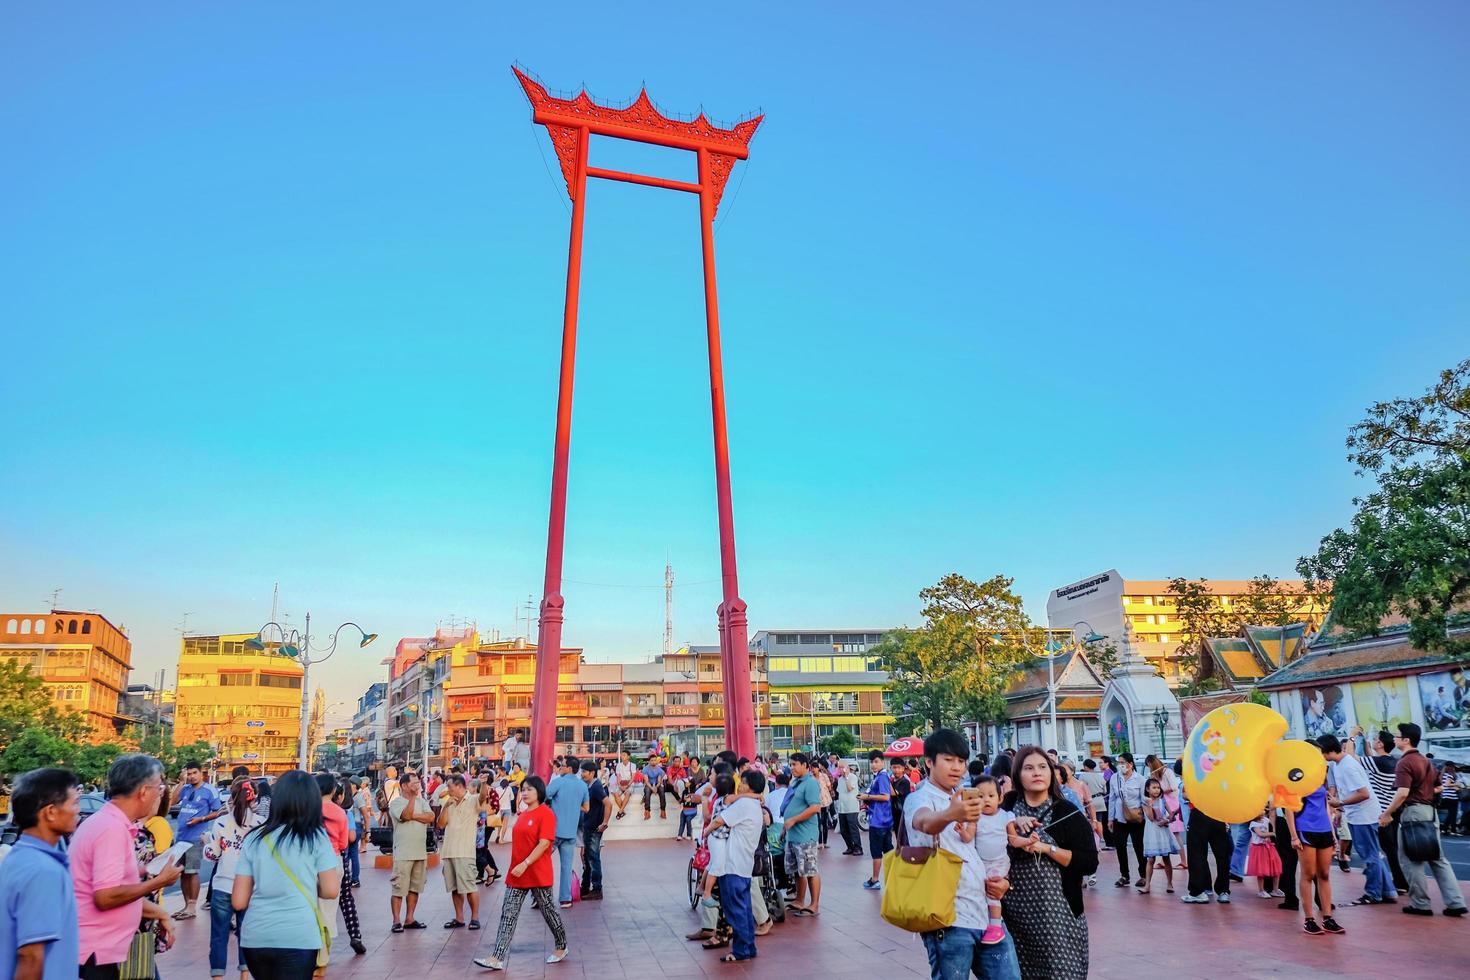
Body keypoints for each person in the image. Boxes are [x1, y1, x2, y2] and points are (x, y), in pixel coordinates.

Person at [904, 730, 1024, 979]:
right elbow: (925, 822)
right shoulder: (920, 797)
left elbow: (985, 846)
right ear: (929, 761)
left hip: (986, 913)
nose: (956, 767)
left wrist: (1003, 882)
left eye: (961, 761)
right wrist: (951, 814)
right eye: (948, 760)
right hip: (948, 919)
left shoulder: (965, 796)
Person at [72, 754, 180, 979]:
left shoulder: (109, 823)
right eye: (158, 788)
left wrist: (158, 911)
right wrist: (159, 881)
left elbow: (114, 887)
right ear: (143, 791)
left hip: (102, 951)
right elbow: (106, 897)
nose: (158, 796)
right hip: (96, 953)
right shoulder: (110, 828)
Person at [232, 770, 342, 980]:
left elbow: (238, 901)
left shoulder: (254, 838)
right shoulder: (316, 837)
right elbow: (330, 890)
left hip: (256, 937)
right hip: (298, 936)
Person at [1001, 745, 1097, 980]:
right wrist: (1012, 823)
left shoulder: (1066, 810)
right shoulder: (1006, 809)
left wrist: (1046, 848)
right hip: (1014, 916)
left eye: (1043, 767)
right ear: (1018, 775)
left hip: (1059, 916)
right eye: (1029, 768)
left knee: (1062, 973)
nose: (1037, 773)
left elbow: (1089, 862)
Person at [473, 776, 567, 971]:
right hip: (517, 873)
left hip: (537, 873)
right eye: (523, 789)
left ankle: (561, 945)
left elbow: (544, 843)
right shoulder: (523, 814)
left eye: (529, 789)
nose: (524, 793)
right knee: (508, 913)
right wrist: (519, 865)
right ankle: (496, 957)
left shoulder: (546, 814)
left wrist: (526, 863)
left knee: (548, 912)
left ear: (539, 792)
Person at [0, 768, 81, 980]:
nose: (78, 811)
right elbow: (31, 956)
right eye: (74, 803)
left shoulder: (18, 858)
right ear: (50, 812)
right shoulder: (43, 870)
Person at [1382, 722, 1467, 917]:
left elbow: (1402, 793)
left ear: (1406, 740)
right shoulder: (1426, 761)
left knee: (1411, 859)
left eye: (1397, 735)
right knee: (1438, 858)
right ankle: (1455, 902)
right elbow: (1438, 787)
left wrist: (1387, 813)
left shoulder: (1404, 762)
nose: (1394, 739)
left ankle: (1421, 903)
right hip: (1430, 812)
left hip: (1413, 813)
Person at [698, 770, 767, 964]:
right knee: (744, 909)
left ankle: (740, 951)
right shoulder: (753, 804)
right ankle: (748, 946)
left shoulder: (744, 804)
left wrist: (706, 832)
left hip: (733, 865)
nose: (740, 786)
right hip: (743, 864)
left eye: (743, 783)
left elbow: (720, 819)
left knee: (735, 910)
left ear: (747, 786)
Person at [1317, 734, 1393, 906]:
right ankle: (1388, 890)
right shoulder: (1340, 764)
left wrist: (1340, 802)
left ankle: (1373, 893)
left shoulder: (1347, 766)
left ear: (1326, 750)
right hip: (1359, 814)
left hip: (1363, 816)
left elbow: (1363, 793)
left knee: (1370, 855)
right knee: (1374, 853)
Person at [203, 777, 260, 979]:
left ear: (232, 797)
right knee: (246, 933)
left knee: (218, 935)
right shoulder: (260, 824)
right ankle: (245, 974)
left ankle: (217, 976)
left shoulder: (221, 822)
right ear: (255, 799)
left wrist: (206, 844)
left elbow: (213, 855)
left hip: (223, 885)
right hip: (250, 887)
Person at [1284, 768, 1340, 935]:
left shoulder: (1319, 777)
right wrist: (1294, 836)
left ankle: (1327, 917)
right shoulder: (1295, 779)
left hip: (1324, 830)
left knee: (1324, 874)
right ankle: (1309, 919)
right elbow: (1289, 809)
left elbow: (1325, 807)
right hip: (1305, 830)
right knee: (1308, 874)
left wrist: (1332, 833)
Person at [316, 772, 363, 955]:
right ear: (334, 790)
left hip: (311, 862)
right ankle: (324, 954)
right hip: (334, 861)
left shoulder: (309, 809)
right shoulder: (341, 812)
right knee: (333, 906)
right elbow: (345, 843)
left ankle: (312, 950)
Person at [171, 760, 225, 920]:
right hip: (181, 837)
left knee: (192, 871)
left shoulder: (209, 790)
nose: (192, 776)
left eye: (194, 773)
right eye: (189, 773)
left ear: (201, 773)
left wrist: (200, 819)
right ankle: (186, 905)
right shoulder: (185, 789)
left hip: (196, 837)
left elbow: (219, 811)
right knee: (181, 872)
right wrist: (181, 782)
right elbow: (172, 802)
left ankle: (192, 906)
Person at [388, 771, 434, 932]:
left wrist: (414, 815)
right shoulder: (396, 803)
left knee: (415, 887)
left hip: (420, 852)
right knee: (399, 888)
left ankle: (409, 918)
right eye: (414, 783)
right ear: (404, 786)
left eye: (418, 782)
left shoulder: (423, 801)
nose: (417, 785)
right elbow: (405, 815)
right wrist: (414, 799)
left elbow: (430, 817)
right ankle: (396, 920)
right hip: (403, 853)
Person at [436, 774, 482, 930]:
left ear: (459, 786)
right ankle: (459, 917)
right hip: (449, 851)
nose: (447, 789)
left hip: (465, 851)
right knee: (454, 888)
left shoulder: (472, 800)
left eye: (449, 786)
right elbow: (441, 825)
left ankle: (475, 918)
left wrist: (484, 783)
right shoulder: (449, 802)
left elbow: (483, 798)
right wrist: (446, 806)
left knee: (469, 886)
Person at [781, 752, 824, 916]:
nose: (792, 768)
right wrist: (786, 827)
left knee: (809, 869)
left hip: (805, 835)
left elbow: (815, 808)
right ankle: (799, 900)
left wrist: (794, 820)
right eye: (791, 764)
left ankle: (814, 904)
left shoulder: (810, 783)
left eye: (795, 764)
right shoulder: (795, 782)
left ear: (805, 766)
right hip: (793, 835)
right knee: (799, 870)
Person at [972, 776, 1014, 944]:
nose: (986, 800)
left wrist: (1029, 841)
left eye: (991, 796)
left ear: (1000, 798)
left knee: (992, 890)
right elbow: (968, 838)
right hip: (980, 862)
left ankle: (996, 927)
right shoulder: (975, 817)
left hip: (999, 862)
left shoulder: (1006, 816)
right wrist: (962, 830)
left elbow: (1014, 839)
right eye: (980, 796)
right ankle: (988, 923)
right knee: (982, 891)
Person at [544, 757, 589, 909]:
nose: (560, 768)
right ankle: (565, 898)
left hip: (553, 832)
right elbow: (586, 808)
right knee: (566, 866)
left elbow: (544, 796)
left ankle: (538, 896)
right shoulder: (582, 786)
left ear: (569, 768)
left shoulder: (558, 782)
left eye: (562, 766)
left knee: (541, 861)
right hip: (570, 832)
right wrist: (575, 807)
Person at [1181, 803, 1234, 904]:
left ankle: (1198, 892)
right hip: (1219, 814)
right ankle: (1223, 891)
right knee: (1222, 854)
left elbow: (1186, 795)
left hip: (1200, 812)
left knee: (1196, 853)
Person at [1106, 752, 1146, 887]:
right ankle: (1124, 875)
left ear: (1130, 764)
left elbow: (1144, 799)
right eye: (1119, 763)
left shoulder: (1140, 779)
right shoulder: (1114, 778)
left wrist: (1144, 814)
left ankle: (1144, 875)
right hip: (1120, 818)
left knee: (1139, 847)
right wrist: (1110, 819)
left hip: (1136, 818)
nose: (1120, 765)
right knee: (1120, 847)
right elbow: (1112, 799)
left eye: (1123, 763)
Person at [860, 749, 893, 890]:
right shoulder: (880, 776)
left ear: (882, 762)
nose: (873, 764)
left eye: (876, 762)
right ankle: (893, 878)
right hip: (884, 820)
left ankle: (875, 880)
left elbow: (886, 796)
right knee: (888, 850)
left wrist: (867, 797)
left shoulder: (881, 777)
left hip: (878, 821)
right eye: (872, 762)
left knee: (876, 852)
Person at [1137, 777, 1177, 894]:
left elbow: (1171, 816)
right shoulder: (1145, 802)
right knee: (1150, 859)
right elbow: (1150, 817)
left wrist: (1168, 820)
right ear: (1147, 789)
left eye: (1158, 788)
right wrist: (1149, 804)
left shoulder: (1162, 800)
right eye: (1154, 788)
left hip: (1163, 831)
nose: (1156, 790)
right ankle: (1147, 885)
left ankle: (1170, 883)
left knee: (1166, 858)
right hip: (1152, 831)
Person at [1146, 754, 1186, 864]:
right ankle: (1165, 860)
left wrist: (1159, 790)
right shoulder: (1154, 774)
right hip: (1161, 803)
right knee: (1165, 833)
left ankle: (1183, 861)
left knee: (1175, 834)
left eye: (1149, 766)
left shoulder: (1167, 771)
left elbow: (1173, 786)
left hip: (1171, 803)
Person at [578, 760, 608, 899]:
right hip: (589, 826)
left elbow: (608, 804)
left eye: (584, 772)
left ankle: (597, 889)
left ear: (592, 773)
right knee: (588, 857)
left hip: (594, 828)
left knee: (593, 858)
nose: (582, 774)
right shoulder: (589, 786)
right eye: (581, 771)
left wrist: (604, 823)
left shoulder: (596, 787)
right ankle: (585, 887)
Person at [1246, 804, 1282, 898]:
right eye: (1259, 810)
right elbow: (1260, 834)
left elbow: (1271, 826)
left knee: (1276, 867)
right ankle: (1261, 890)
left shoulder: (1266, 820)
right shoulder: (1253, 824)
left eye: (1262, 810)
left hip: (1269, 847)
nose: (1262, 812)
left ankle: (1275, 889)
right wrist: (1273, 834)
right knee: (1261, 870)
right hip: (1259, 849)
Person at [474, 779, 501, 885]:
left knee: (479, 849)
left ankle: (485, 872)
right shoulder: (480, 791)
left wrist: (483, 813)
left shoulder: (490, 791)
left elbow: (495, 808)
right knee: (483, 848)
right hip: (481, 824)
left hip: (486, 824)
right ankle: (491, 870)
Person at [835, 760, 862, 855]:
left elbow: (850, 788)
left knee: (853, 828)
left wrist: (846, 777)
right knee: (843, 830)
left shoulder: (852, 777)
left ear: (847, 767)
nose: (840, 769)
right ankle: (850, 846)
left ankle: (858, 847)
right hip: (842, 808)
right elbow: (839, 792)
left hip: (851, 807)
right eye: (839, 768)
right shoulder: (839, 780)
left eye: (842, 767)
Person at [641, 756, 668, 820]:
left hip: (657, 784)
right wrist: (652, 788)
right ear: (649, 761)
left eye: (655, 760)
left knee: (662, 791)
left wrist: (656, 787)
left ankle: (663, 811)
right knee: (647, 792)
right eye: (652, 760)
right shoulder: (645, 769)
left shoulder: (659, 769)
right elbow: (646, 781)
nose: (653, 762)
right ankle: (647, 811)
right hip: (649, 784)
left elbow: (659, 781)